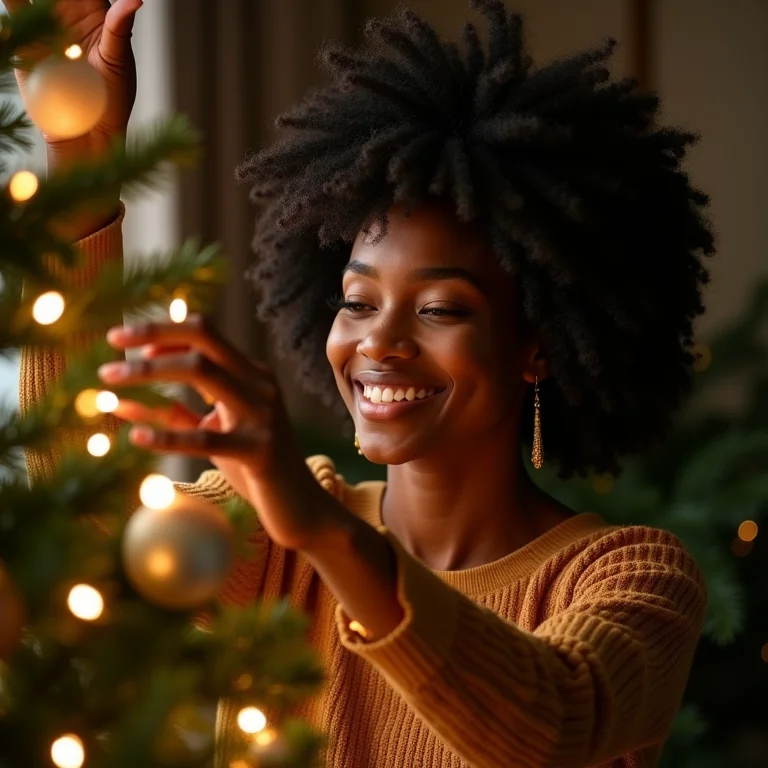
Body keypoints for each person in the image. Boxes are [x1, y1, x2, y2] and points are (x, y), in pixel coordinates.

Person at [15, 0, 712, 766]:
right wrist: (81, 154)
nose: (379, 341)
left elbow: (550, 725)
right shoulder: (271, 536)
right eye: (357, 301)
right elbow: (81, 525)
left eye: (442, 308)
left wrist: (322, 531)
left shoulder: (629, 577)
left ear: (538, 347)